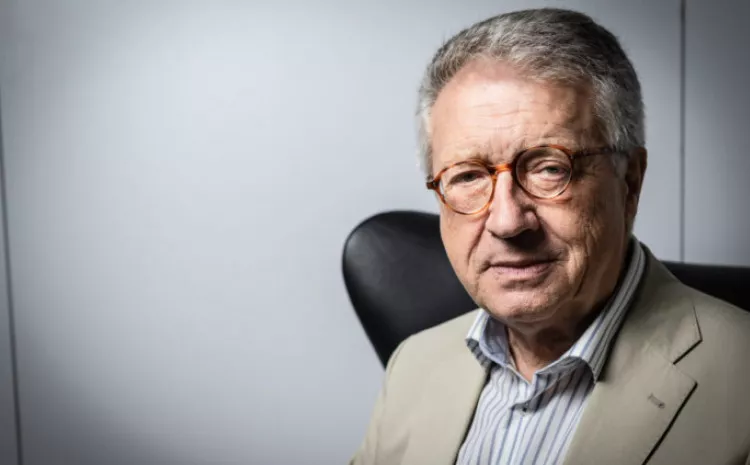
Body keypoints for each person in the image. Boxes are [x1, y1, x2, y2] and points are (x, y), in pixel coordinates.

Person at [351, 8, 750, 465]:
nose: (507, 222)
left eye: (549, 168)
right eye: (468, 176)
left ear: (630, 181)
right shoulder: (412, 366)